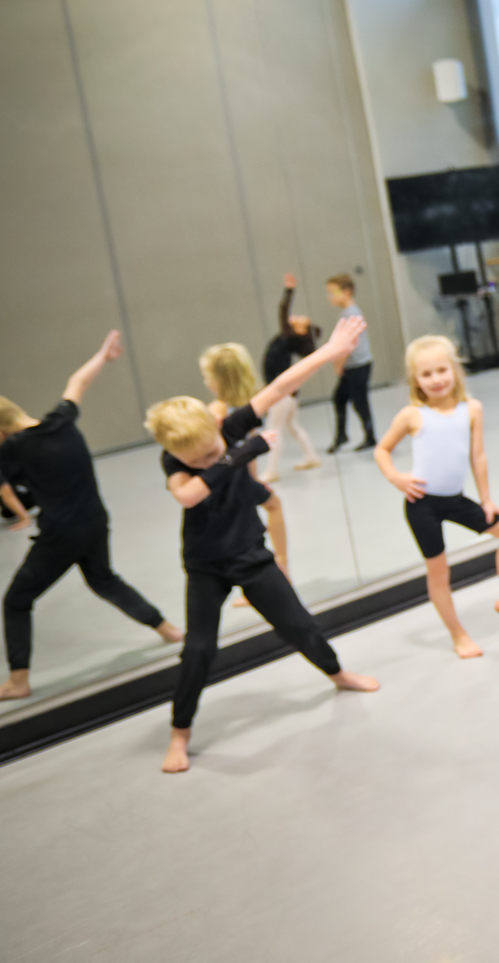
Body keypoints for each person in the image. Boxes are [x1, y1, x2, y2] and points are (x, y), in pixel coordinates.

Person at [147, 314, 378, 774]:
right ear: (178, 455)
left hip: (250, 553)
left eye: (214, 450)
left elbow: (278, 386)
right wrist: (240, 455)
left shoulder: (228, 428)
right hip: (207, 566)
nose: (210, 459)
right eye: (199, 459)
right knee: (199, 649)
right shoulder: (177, 460)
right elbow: (189, 494)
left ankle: (337, 674)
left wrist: (331, 351)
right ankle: (180, 733)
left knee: (297, 623)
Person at [1, 332, 182, 701]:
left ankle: (19, 681)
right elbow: (77, 382)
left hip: (60, 536)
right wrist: (103, 355)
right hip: (95, 521)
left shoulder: (14, 450)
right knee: (104, 580)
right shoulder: (61, 420)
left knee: (16, 600)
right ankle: (168, 630)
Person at [373, 335, 499, 658]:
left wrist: (486, 499)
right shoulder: (412, 415)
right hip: (421, 504)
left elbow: (478, 457)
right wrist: (396, 478)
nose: (436, 379)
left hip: (456, 500)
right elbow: (382, 449)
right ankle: (458, 635)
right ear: (416, 379)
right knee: (440, 572)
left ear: (454, 370)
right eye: (426, 374)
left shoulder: (471, 409)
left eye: (442, 370)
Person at [260, 271, 323, 479]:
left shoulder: (290, 337)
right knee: (292, 426)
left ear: (302, 330)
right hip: (287, 390)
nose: (294, 317)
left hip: (282, 391)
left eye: (301, 319)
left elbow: (282, 309)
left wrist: (289, 290)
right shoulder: (290, 338)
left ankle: (271, 470)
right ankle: (311, 456)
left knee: (273, 429)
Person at [200, 343, 268, 484]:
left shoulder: (218, 409)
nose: (205, 382)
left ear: (219, 380)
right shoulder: (248, 410)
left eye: (207, 377)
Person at [324, 273, 376, 452]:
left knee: (359, 402)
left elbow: (349, 343)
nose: (330, 297)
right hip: (352, 366)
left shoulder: (351, 314)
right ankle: (341, 436)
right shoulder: (347, 313)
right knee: (339, 399)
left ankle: (370, 436)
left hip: (357, 366)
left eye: (333, 292)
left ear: (346, 292)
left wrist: (339, 364)